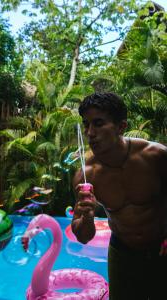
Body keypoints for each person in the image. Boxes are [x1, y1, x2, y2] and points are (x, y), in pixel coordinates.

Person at [71, 92, 167, 300]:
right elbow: (83, 236)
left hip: (162, 248)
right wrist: (86, 216)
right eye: (86, 124)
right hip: (122, 253)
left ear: (121, 127)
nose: (90, 132)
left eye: (98, 123)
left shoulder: (156, 157)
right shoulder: (86, 176)